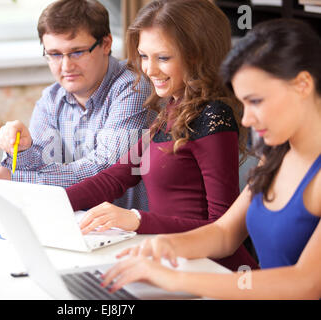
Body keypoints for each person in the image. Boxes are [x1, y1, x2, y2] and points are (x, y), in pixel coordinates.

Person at [100, 18, 321, 299]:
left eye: (256, 101)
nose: (248, 118)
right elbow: (225, 234)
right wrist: (166, 246)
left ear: (302, 84)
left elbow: (306, 283)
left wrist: (175, 279)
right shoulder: (276, 156)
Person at [65, 0, 258, 271]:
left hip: (209, 267)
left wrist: (136, 219)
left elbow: (220, 227)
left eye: (163, 58)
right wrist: (51, 204)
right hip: (171, 257)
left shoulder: (213, 117)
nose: (149, 69)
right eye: (144, 56)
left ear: (197, 55)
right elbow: (115, 177)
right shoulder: (173, 107)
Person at [0, 0, 153, 211]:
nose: (66, 66)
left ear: (106, 44)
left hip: (129, 232)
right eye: (55, 54)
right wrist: (22, 150)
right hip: (74, 223)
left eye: (77, 52)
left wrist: (16, 179)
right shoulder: (51, 98)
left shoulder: (134, 88)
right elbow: (40, 167)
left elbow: (104, 168)